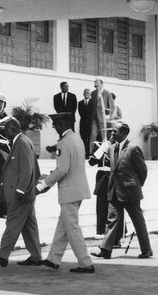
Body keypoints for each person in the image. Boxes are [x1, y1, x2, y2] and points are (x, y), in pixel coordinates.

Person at [36, 114, 94, 274]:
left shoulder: (63, 142)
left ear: (62, 124)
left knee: (72, 228)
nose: (54, 127)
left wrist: (43, 185)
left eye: (56, 124)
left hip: (69, 191)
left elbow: (62, 169)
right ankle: (53, 259)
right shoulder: (77, 138)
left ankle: (85, 262)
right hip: (79, 189)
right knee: (64, 226)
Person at [0, 117, 42, 268]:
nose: (4, 133)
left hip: (21, 194)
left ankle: (2, 255)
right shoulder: (21, 141)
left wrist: (20, 189)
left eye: (5, 130)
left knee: (12, 223)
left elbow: (27, 168)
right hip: (24, 193)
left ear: (12, 129)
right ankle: (36, 256)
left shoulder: (21, 142)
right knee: (29, 226)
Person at [91, 122, 153, 260]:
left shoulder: (133, 148)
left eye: (114, 131)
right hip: (114, 190)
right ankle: (106, 250)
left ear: (124, 133)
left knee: (138, 221)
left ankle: (146, 250)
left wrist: (135, 185)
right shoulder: (111, 148)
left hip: (130, 192)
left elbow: (143, 170)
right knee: (112, 219)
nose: (112, 134)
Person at [87, 137, 124, 246]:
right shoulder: (102, 147)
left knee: (114, 209)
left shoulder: (119, 148)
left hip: (114, 178)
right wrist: (102, 149)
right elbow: (92, 162)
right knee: (102, 208)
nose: (112, 137)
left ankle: (117, 238)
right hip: (103, 178)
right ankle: (104, 236)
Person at [90, 79, 115, 144]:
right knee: (93, 135)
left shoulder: (107, 94)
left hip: (103, 119)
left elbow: (112, 107)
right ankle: (92, 152)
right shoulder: (93, 93)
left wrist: (109, 118)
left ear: (101, 84)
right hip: (94, 118)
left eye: (97, 85)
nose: (96, 87)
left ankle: (105, 152)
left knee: (104, 137)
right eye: (95, 86)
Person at [77, 88, 92, 157]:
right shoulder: (80, 103)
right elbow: (80, 113)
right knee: (83, 138)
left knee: (89, 138)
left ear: (90, 94)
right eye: (85, 93)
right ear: (83, 94)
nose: (86, 94)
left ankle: (89, 153)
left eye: (88, 93)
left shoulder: (93, 102)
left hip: (90, 123)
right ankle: (84, 153)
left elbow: (93, 113)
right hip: (83, 123)